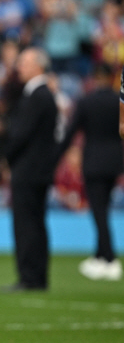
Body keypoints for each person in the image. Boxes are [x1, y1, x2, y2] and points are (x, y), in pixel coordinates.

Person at [57, 64, 122, 281]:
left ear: (94, 79)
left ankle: (110, 259)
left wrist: (56, 156)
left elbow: (71, 132)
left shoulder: (86, 101)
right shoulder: (118, 101)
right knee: (103, 208)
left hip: (93, 162)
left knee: (99, 211)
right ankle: (99, 256)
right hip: (115, 162)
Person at [4, 47, 58, 291]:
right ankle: (37, 276)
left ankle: (30, 277)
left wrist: (7, 157)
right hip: (39, 170)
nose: (19, 67)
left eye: (24, 63)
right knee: (36, 223)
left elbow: (21, 134)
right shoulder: (44, 94)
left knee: (27, 224)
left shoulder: (37, 95)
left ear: (38, 66)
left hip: (28, 170)